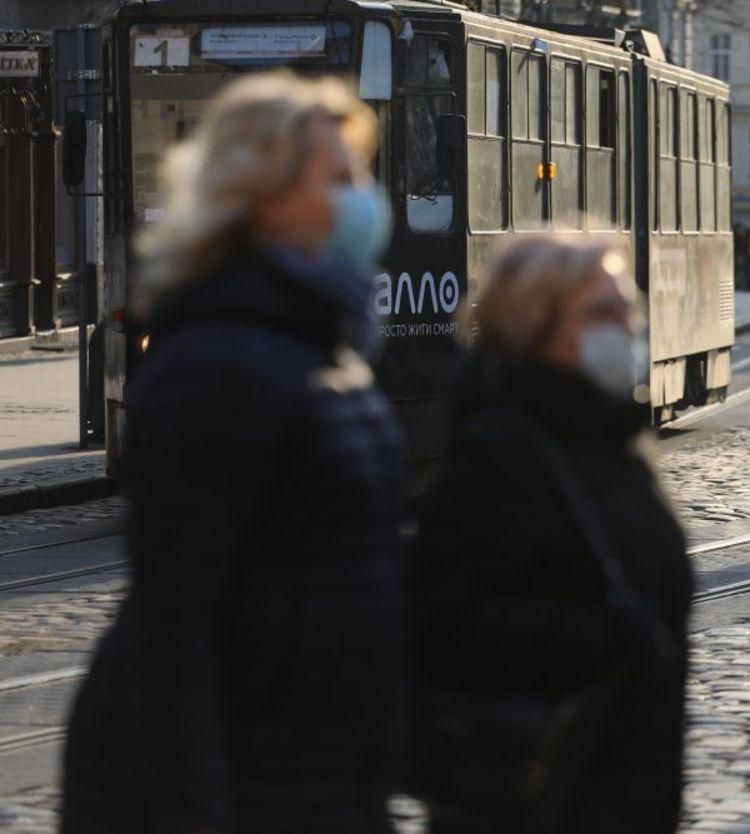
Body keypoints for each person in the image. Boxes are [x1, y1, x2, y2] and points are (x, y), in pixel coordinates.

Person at [60, 73, 409, 833]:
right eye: (341, 177)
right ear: (267, 198)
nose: (364, 197)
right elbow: (176, 631)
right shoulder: (219, 365)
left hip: (308, 774)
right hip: (250, 785)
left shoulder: (316, 344)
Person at [412, 235, 690, 834]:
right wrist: (594, 638)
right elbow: (441, 624)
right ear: (532, 326)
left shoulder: (612, 440)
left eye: (627, 309)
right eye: (601, 313)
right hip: (534, 801)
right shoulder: (499, 451)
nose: (625, 326)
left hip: (624, 790)